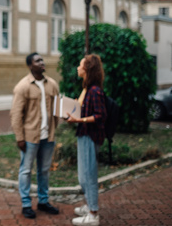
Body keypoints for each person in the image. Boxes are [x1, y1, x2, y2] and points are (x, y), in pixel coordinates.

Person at [10, 52, 60, 219]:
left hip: (48, 137)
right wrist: (20, 137)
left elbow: (57, 110)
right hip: (30, 138)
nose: (42, 62)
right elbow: (16, 114)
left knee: (44, 170)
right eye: (38, 61)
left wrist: (54, 128)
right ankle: (26, 204)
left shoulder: (52, 84)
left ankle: (43, 201)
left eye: (42, 60)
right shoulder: (22, 86)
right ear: (30, 65)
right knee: (26, 170)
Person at [65, 54, 107, 226]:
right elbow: (85, 110)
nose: (77, 67)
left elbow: (100, 115)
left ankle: (93, 214)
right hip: (83, 136)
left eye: (80, 65)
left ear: (87, 69)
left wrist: (79, 120)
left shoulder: (95, 91)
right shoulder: (87, 89)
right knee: (83, 177)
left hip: (90, 137)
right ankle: (90, 205)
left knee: (89, 177)